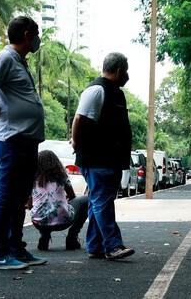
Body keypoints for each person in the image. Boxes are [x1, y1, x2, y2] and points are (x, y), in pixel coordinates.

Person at [0, 16, 47, 270]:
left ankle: (17, 248)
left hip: (27, 139)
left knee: (19, 198)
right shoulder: (5, 58)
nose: (38, 38)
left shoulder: (19, 61)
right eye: (36, 33)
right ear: (27, 35)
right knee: (7, 198)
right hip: (13, 139)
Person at [71, 52, 135, 261]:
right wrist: (75, 141)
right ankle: (113, 245)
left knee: (97, 201)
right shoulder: (97, 89)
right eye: (125, 71)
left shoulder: (116, 93)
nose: (127, 76)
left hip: (110, 158)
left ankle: (95, 245)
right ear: (118, 71)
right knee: (101, 201)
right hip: (97, 158)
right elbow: (79, 119)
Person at [30, 150, 88, 251]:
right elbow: (72, 197)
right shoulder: (62, 177)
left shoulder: (31, 179)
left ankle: (44, 235)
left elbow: (30, 205)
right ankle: (72, 236)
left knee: (41, 210)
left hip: (38, 222)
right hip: (63, 222)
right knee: (86, 200)